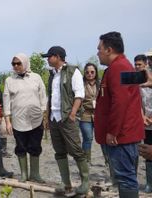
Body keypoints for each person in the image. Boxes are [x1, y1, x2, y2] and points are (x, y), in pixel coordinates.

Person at [94, 31, 144, 198]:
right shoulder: (121, 66)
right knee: (124, 177)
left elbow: (120, 101)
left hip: (121, 135)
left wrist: (113, 131)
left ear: (109, 49)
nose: (97, 53)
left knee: (125, 178)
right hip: (124, 133)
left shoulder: (119, 67)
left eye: (99, 49)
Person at [42, 46, 89, 195]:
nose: (48, 59)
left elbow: (79, 95)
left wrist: (73, 114)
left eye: (49, 57)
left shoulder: (72, 71)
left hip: (67, 117)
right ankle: (66, 183)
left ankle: (85, 182)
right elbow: (51, 97)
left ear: (57, 56)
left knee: (76, 150)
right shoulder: (52, 74)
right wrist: (47, 117)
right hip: (54, 117)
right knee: (59, 151)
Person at [3, 53, 47, 183]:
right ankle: (24, 174)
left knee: (35, 146)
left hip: (35, 118)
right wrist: (7, 121)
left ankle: (35, 174)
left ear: (25, 63)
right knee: (21, 147)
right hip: (18, 119)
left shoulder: (36, 77)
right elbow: (6, 101)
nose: (16, 66)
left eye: (19, 63)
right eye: (14, 64)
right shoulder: (9, 80)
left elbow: (43, 96)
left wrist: (44, 114)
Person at [134, 54, 152, 193]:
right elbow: (138, 101)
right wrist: (142, 117)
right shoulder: (137, 81)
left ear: (146, 64)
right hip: (146, 122)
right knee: (147, 152)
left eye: (140, 64)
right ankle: (149, 183)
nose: (137, 67)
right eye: (136, 64)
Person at [79, 63, 100, 163]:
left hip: (99, 115)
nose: (90, 74)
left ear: (96, 72)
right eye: (87, 72)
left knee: (102, 138)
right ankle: (86, 160)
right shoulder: (81, 84)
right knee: (88, 138)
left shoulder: (101, 84)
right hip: (85, 115)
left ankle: (108, 160)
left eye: (92, 72)